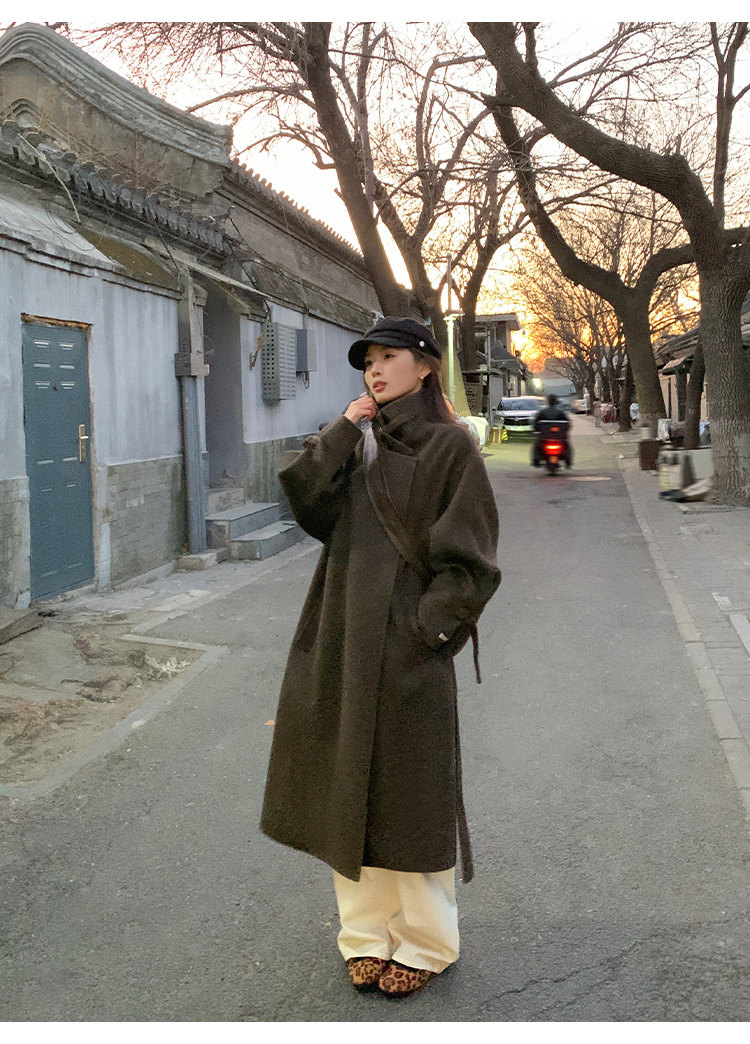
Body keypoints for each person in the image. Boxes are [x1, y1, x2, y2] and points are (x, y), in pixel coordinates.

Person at [260, 316, 501, 998]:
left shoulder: (450, 446)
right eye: (368, 359)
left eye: (389, 356)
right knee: (345, 787)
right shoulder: (358, 440)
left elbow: (472, 561)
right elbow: (308, 504)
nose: (374, 368)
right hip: (340, 632)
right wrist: (342, 429)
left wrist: (427, 631)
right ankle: (364, 936)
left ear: (424, 366)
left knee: (410, 795)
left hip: (405, 645)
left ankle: (427, 942)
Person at [532, 394, 572, 467]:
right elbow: (567, 423)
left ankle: (536, 461)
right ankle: (568, 462)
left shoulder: (543, 412)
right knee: (567, 445)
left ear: (548, 402)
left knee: (537, 445)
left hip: (544, 436)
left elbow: (536, 423)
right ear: (555, 402)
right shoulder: (561, 412)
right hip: (559, 437)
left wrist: (536, 429)